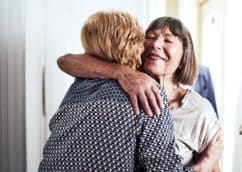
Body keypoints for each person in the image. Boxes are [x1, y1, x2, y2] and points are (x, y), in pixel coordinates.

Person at [38, 11, 199, 171]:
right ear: (133, 46)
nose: (152, 45)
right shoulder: (146, 92)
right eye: (147, 38)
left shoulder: (78, 87)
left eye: (168, 40)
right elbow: (164, 168)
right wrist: (205, 163)